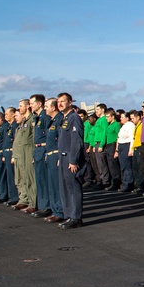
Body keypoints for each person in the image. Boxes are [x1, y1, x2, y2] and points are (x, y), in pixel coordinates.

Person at [57, 92, 86, 229]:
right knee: (65, 188)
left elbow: (76, 141)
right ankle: (69, 214)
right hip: (63, 157)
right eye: (58, 102)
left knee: (73, 188)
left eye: (63, 101)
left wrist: (73, 160)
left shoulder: (74, 118)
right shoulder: (65, 118)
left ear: (70, 103)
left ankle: (76, 217)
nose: (60, 104)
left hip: (71, 158)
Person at [42, 98, 64, 223]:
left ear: (53, 107)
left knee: (57, 185)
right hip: (50, 155)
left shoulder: (60, 120)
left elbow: (61, 140)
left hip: (56, 155)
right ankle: (55, 209)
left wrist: (60, 156)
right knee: (52, 185)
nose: (45, 108)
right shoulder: (52, 121)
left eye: (47, 106)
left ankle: (60, 211)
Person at [117, 111, 136, 191]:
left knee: (127, 166)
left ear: (127, 118)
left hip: (126, 145)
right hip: (121, 146)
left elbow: (132, 138)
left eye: (122, 117)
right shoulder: (123, 126)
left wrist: (131, 149)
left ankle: (128, 184)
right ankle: (124, 183)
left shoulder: (130, 125)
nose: (121, 119)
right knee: (123, 166)